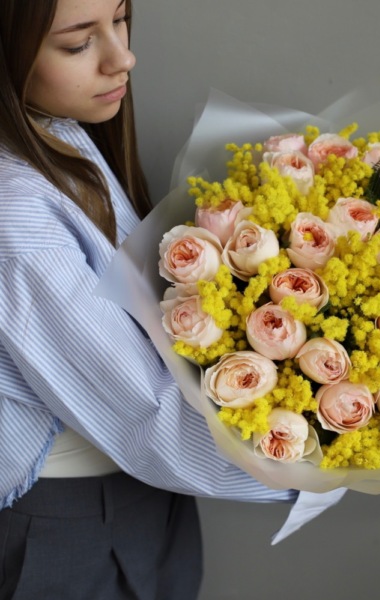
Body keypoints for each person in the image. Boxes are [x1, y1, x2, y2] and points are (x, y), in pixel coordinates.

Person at [0, 0, 295, 598]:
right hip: (68, 517)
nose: (123, 57)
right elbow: (143, 411)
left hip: (145, 495)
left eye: (121, 17)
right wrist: (327, 454)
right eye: (78, 43)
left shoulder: (58, 136)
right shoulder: (16, 214)